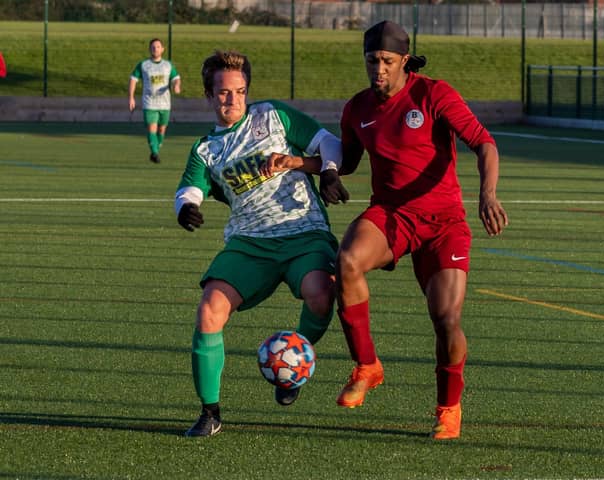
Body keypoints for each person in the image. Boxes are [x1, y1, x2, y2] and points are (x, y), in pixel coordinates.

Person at [320, 20, 508, 440]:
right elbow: (347, 162)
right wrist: (311, 167)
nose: (379, 70)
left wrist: (488, 195)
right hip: (391, 214)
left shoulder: (432, 93)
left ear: (404, 60)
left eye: (387, 61)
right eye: (372, 61)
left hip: (444, 223)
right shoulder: (357, 108)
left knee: (445, 318)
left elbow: (484, 143)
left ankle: (449, 409)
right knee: (347, 261)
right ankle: (368, 366)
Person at [174, 50, 343, 437]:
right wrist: (186, 208)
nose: (231, 99)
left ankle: (292, 370)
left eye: (239, 91)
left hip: (304, 232)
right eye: (222, 92)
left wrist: (329, 173)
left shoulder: (273, 116)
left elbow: (329, 143)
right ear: (208, 94)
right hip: (249, 243)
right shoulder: (206, 148)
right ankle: (210, 412)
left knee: (321, 293)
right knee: (209, 311)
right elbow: (189, 188)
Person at [128, 38, 181, 164]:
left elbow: (176, 78)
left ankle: (156, 148)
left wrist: (176, 85)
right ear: (149, 49)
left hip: (165, 103)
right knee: (152, 127)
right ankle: (155, 153)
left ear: (162, 49)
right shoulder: (144, 65)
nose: (155, 49)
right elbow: (133, 79)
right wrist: (131, 97)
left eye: (157, 47)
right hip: (149, 102)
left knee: (162, 129)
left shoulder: (168, 65)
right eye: (153, 47)